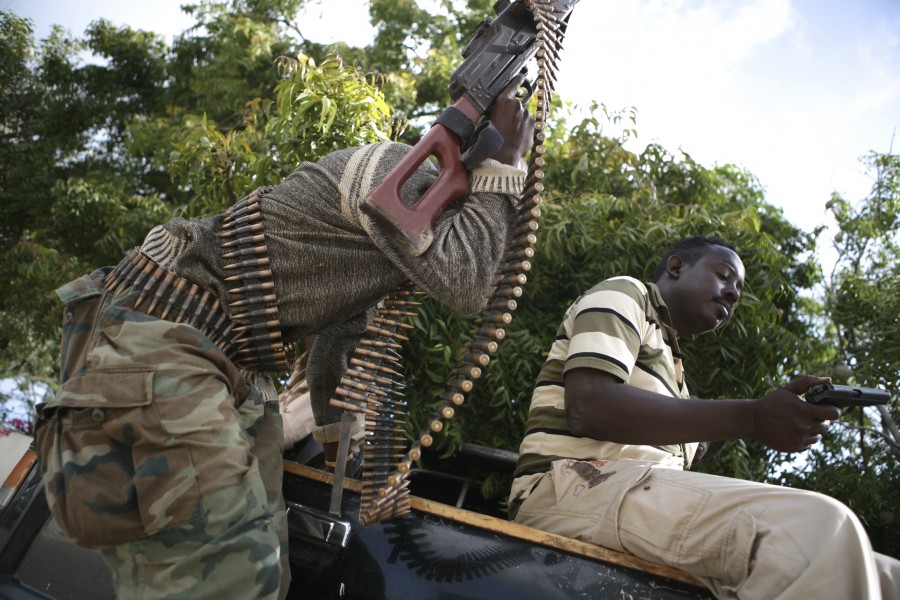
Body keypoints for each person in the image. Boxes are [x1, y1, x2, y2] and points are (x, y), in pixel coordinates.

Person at [34, 76, 534, 600]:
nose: (481, 225)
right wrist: (508, 163)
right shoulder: (393, 174)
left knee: (265, 575)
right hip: (163, 330)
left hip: (211, 354)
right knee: (228, 581)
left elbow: (332, 357)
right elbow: (466, 279)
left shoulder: (380, 246)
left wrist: (348, 452)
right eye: (477, 212)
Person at [509, 236, 900, 599]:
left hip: (623, 495)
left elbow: (689, 445)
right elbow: (590, 406)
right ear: (677, 267)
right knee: (817, 528)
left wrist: (775, 413)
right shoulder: (626, 293)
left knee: (885, 576)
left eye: (739, 290)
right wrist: (752, 417)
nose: (733, 293)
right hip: (573, 488)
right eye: (724, 276)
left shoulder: (674, 375)